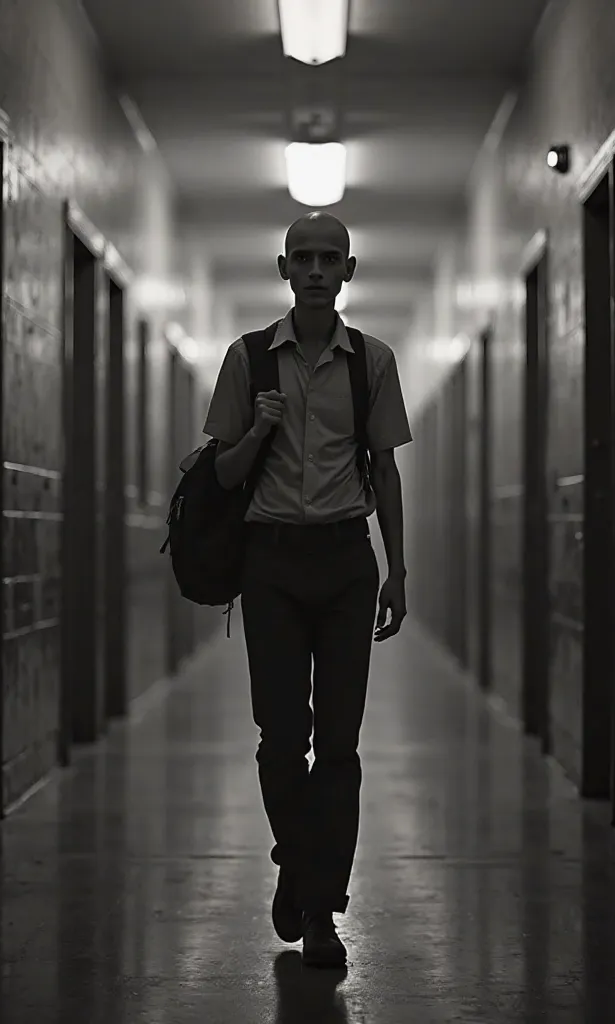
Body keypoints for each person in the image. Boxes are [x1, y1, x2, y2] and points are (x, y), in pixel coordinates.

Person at [202, 211, 413, 968]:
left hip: (347, 564)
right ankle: (299, 862)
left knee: (342, 745)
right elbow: (223, 473)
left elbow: (384, 469)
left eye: (331, 258)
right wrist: (258, 432)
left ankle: (321, 910)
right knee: (283, 737)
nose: (318, 269)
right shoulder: (248, 358)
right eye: (305, 258)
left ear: (349, 271)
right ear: (283, 268)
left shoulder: (372, 363)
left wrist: (398, 570)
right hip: (272, 565)